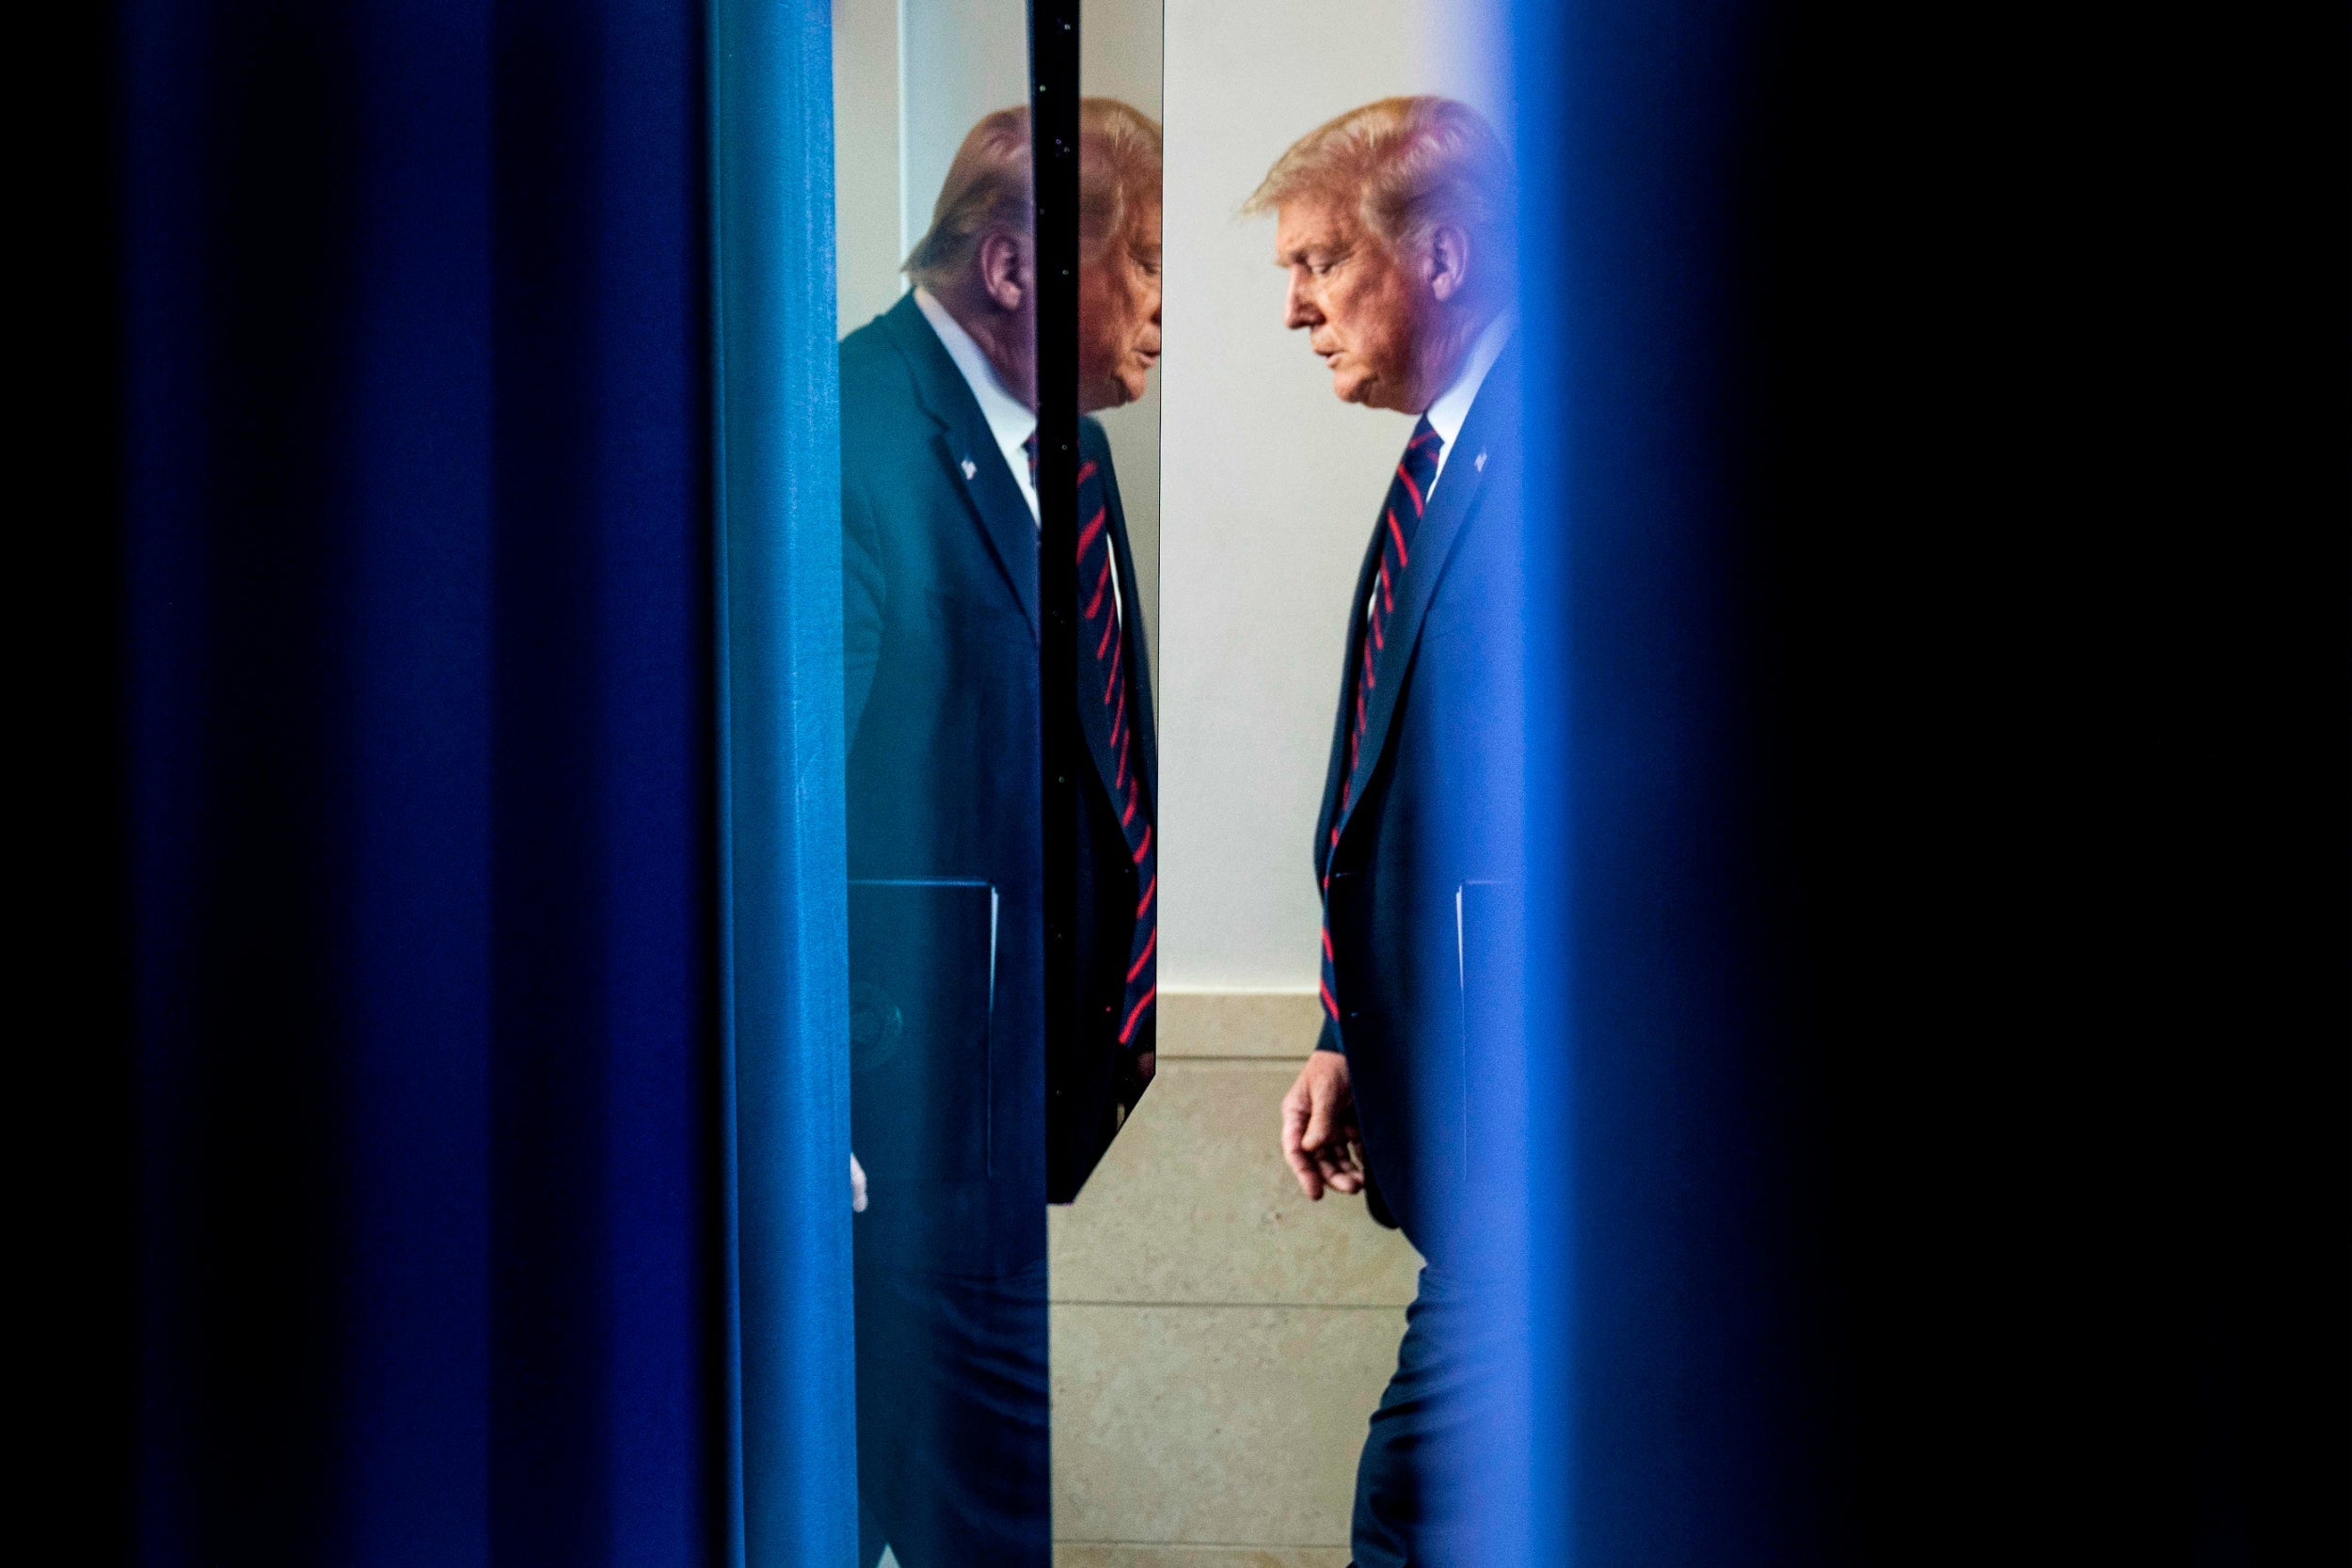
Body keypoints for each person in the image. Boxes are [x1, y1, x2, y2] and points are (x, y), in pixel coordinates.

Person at [838, 98, 1162, 1568]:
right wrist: (822, 1116)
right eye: (1143, 263)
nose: (1165, 312)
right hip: (904, 1151)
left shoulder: (1065, 457)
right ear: (1020, 267)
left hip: (1019, 1131)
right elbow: (781, 812)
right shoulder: (849, 431)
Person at [1248, 96, 1522, 1568]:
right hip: (1472, 1137)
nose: (1293, 310)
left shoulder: (1563, 450)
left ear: (1445, 252)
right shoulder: (1446, 456)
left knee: (1407, 1514)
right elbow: (1420, 811)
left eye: (1320, 264)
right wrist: (1352, 1026)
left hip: (1550, 1156)